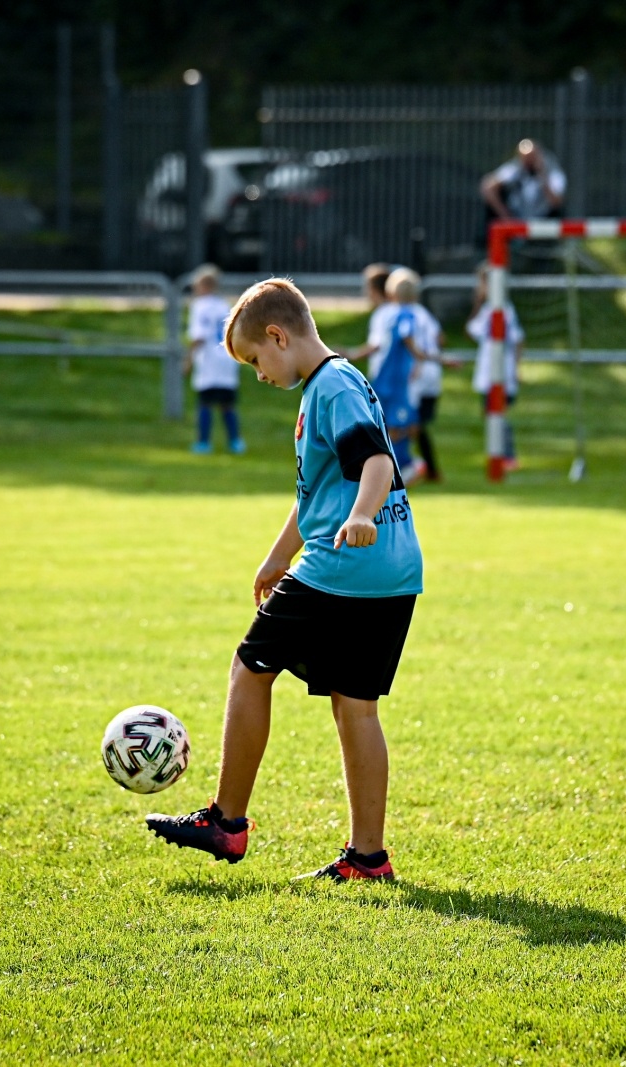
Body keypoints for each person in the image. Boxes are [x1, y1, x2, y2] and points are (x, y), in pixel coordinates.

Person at [145, 278, 423, 881]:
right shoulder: (337, 382)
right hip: (394, 571)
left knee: (251, 668)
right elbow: (319, 490)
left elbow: (374, 461)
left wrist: (360, 515)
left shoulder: (332, 387)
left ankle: (226, 822)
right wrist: (277, 557)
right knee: (357, 707)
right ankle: (369, 859)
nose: (258, 374)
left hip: (345, 563)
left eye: (254, 360)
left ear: (278, 335)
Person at [387, 267, 447, 483]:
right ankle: (426, 468)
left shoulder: (402, 314)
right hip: (433, 375)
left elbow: (407, 338)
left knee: (403, 422)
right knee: (418, 422)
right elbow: (440, 339)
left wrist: (417, 358)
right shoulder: (425, 314)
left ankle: (407, 465)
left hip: (415, 373)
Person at [372, 271, 429, 485]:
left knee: (394, 424)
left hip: (388, 378)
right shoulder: (411, 314)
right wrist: (424, 358)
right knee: (398, 424)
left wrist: (418, 356)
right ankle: (401, 466)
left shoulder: (392, 314)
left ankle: (403, 465)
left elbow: (392, 340)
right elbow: (410, 338)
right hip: (397, 380)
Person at [467, 263, 526, 469]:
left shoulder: (502, 310)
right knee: (491, 413)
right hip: (489, 370)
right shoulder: (489, 308)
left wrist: (516, 368)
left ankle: (508, 456)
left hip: (500, 370)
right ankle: (501, 454)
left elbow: (518, 340)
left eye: (482, 284)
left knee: (497, 413)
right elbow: (472, 330)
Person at [184, 264, 245, 455]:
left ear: (202, 285)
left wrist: (188, 359)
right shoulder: (224, 305)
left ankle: (203, 443)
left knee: (205, 403)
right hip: (227, 359)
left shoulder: (200, 306)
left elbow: (199, 337)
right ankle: (235, 442)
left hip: (209, 360)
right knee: (227, 403)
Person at [481, 139, 566, 222]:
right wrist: (505, 216)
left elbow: (556, 202)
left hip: (544, 221)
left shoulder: (552, 172)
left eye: (532, 156)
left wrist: (542, 174)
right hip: (517, 220)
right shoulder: (516, 169)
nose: (528, 160)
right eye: (525, 157)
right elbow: (488, 187)